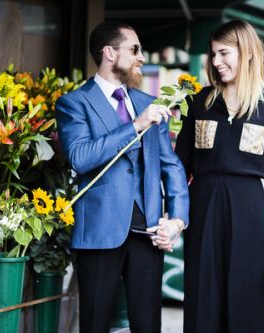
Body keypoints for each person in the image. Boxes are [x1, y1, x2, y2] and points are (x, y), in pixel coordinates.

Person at [56, 21, 189, 333]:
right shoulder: (74, 103)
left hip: (148, 231)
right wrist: (135, 126)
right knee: (96, 323)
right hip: (99, 233)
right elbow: (80, 156)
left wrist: (177, 219)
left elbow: (171, 166)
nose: (141, 57)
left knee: (148, 325)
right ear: (109, 53)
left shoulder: (149, 103)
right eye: (135, 49)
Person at [175, 19, 264, 333]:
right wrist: (173, 217)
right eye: (213, 54)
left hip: (250, 214)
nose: (216, 62)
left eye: (224, 53)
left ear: (248, 52)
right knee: (202, 302)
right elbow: (178, 167)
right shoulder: (197, 102)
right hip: (202, 210)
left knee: (248, 305)